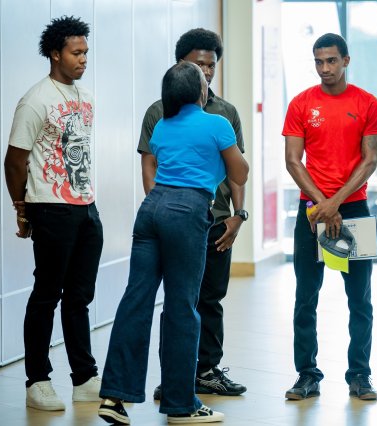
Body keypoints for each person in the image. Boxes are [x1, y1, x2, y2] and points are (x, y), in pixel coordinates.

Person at [97, 62, 248, 425]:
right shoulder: (218, 124)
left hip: (151, 209)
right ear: (201, 91)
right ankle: (181, 405)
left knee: (136, 300)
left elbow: (159, 162)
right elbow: (240, 172)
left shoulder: (162, 126)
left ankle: (114, 396)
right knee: (182, 306)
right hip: (188, 209)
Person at [138, 28, 248, 399]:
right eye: (199, 64)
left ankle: (207, 371)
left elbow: (237, 171)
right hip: (176, 219)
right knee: (177, 300)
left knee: (211, 299)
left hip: (216, 221)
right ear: (180, 65)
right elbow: (149, 165)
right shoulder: (159, 112)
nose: (206, 72)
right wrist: (164, 209)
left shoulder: (225, 113)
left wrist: (238, 215)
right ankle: (174, 376)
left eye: (211, 65)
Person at [3, 16, 103, 411]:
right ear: (55, 54)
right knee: (46, 295)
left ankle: (84, 378)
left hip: (86, 208)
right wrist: (22, 208)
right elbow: (15, 160)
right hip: (49, 207)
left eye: (86, 53)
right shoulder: (35, 100)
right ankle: (38, 381)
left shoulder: (86, 97)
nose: (83, 60)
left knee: (79, 297)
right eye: (76, 53)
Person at [282, 33, 377, 401]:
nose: (324, 68)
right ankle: (307, 375)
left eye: (331, 61)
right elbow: (293, 160)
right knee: (305, 297)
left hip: (352, 208)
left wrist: (335, 202)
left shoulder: (367, 103)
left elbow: (370, 160)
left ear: (346, 61)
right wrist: (322, 203)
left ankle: (360, 375)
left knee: (360, 298)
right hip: (311, 210)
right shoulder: (301, 103)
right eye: (318, 61)